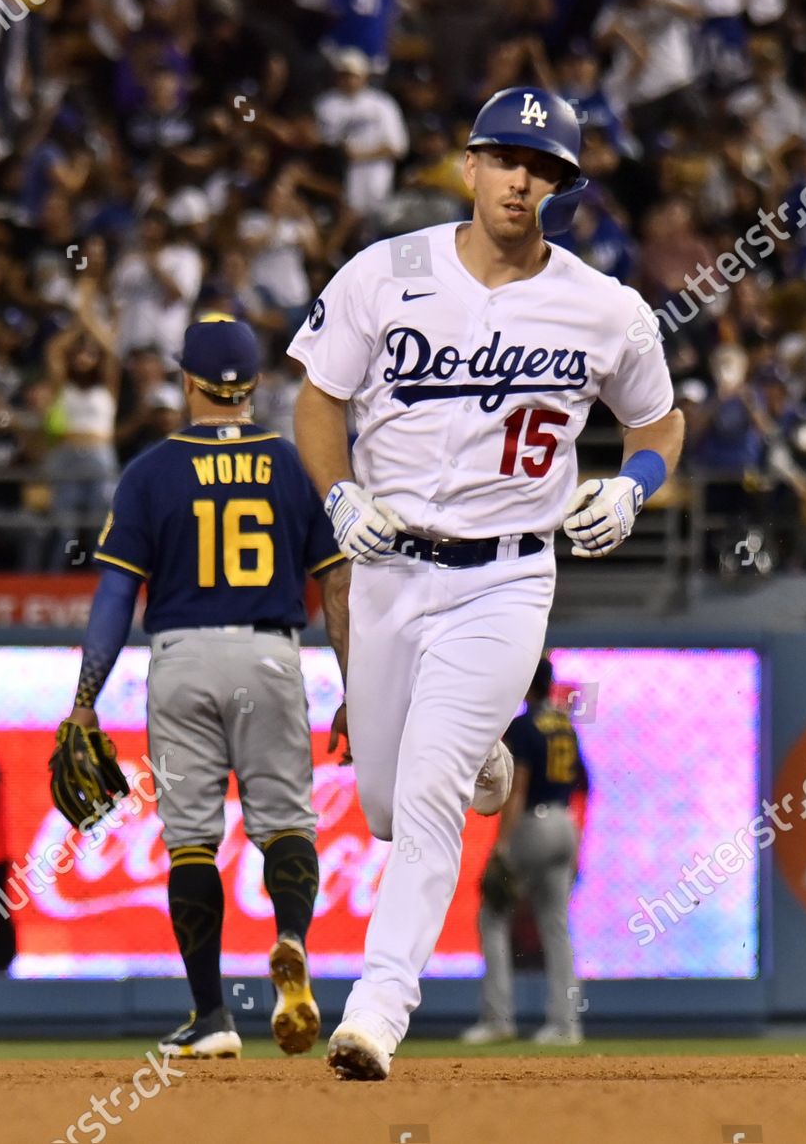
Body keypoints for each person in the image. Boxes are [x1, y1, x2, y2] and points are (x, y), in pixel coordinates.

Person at [289, 86, 683, 1080]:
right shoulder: (387, 271)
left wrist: (635, 486)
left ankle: (377, 1011)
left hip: (506, 579)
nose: (523, 180)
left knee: (422, 797)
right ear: (467, 163)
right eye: (508, 157)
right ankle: (488, 772)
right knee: (382, 798)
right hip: (384, 564)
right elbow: (317, 401)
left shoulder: (604, 305)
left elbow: (661, 421)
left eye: (545, 168)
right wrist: (336, 497)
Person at [48, 316, 352, 1060]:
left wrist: (86, 696)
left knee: (190, 840)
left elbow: (116, 595)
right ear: (251, 384)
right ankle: (288, 937)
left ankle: (212, 1015)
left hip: (182, 658)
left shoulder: (152, 470)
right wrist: (356, 684)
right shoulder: (289, 464)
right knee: (286, 823)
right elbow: (338, 584)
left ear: (187, 379)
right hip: (270, 654)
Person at [462, 656, 587, 1047]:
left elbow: (517, 789)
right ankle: (566, 1024)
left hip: (533, 824)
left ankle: (498, 1019)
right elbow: (584, 785)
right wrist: (577, 842)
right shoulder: (565, 724)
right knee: (556, 926)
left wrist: (501, 846)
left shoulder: (524, 725)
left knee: (493, 916)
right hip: (566, 823)